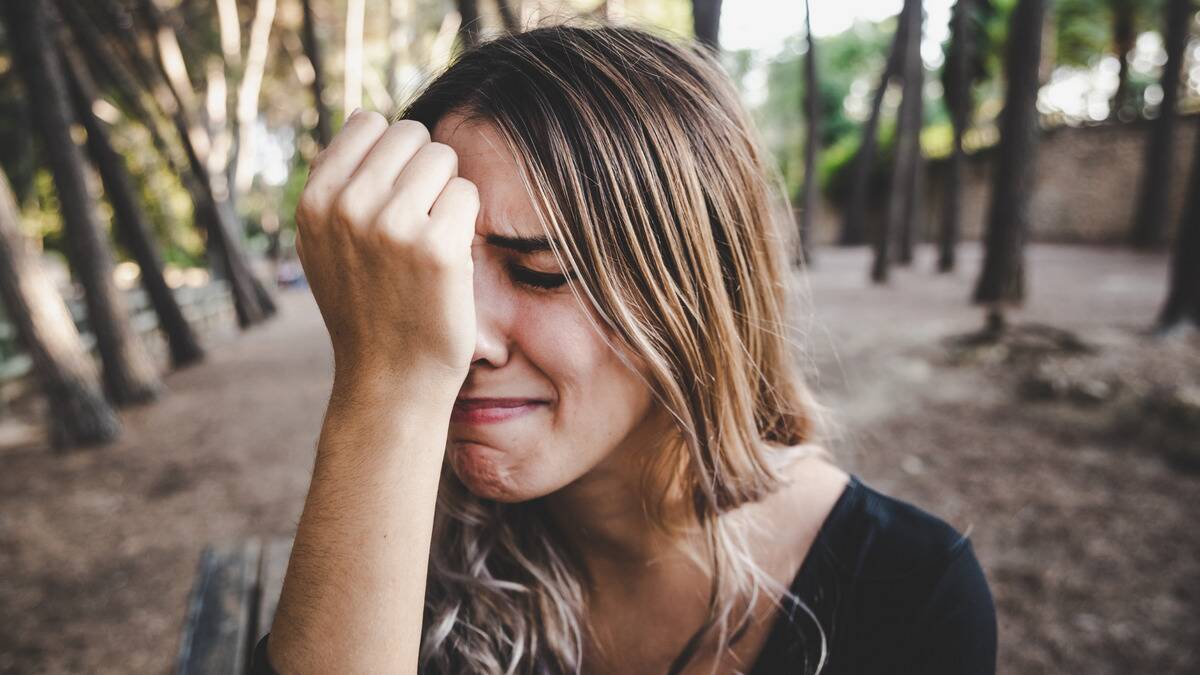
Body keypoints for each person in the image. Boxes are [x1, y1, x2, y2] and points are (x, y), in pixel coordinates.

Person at [253, 23, 997, 675]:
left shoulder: (909, 594)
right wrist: (383, 390)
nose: (459, 338)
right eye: (433, 277)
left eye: (540, 272)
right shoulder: (402, 546)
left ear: (696, 293)